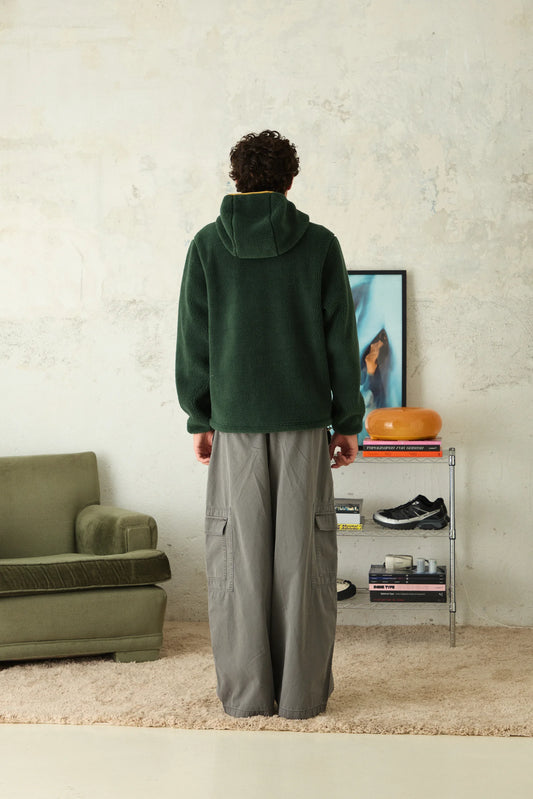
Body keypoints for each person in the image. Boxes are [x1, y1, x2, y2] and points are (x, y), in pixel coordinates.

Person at [176, 130, 365, 719]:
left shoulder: (207, 245)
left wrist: (200, 416)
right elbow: (342, 342)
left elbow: (194, 342)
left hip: (234, 425)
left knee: (239, 563)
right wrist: (347, 421)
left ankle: (247, 697)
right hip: (305, 426)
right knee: (303, 564)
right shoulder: (320, 244)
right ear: (290, 180)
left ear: (236, 178)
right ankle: (302, 697)